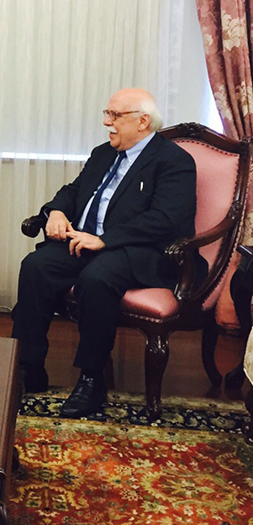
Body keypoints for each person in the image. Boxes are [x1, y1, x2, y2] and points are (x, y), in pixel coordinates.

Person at [12, 88, 199, 418]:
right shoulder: (103, 154)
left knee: (97, 278)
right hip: (86, 243)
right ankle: (29, 367)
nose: (106, 122)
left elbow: (165, 219)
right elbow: (74, 191)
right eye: (107, 113)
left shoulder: (174, 161)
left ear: (143, 121)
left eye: (115, 115)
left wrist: (106, 240)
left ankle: (91, 379)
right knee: (36, 266)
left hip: (142, 251)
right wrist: (56, 211)